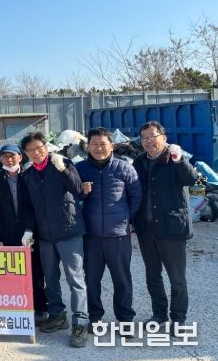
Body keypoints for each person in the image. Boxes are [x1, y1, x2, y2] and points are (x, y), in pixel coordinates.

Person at [20, 132, 88, 348]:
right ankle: (58, 314)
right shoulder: (28, 174)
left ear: (46, 146)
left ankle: (80, 322)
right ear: (26, 154)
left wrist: (63, 170)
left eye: (39, 147)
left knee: (75, 279)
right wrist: (29, 230)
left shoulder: (62, 163)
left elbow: (78, 189)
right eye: (31, 150)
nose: (36, 153)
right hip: (45, 236)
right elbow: (28, 207)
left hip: (69, 231)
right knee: (50, 278)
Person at [75, 127, 142, 331]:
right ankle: (95, 317)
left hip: (118, 236)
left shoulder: (125, 168)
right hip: (91, 236)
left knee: (122, 280)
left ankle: (125, 318)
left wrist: (125, 218)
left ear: (111, 146)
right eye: (94, 144)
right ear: (87, 147)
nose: (98, 148)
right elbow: (71, 197)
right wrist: (82, 193)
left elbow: (136, 196)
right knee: (91, 279)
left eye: (103, 144)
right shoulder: (80, 169)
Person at [133, 121, 197, 331]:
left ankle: (178, 318)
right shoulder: (139, 162)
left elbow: (191, 179)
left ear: (164, 138)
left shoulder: (175, 158)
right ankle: (159, 314)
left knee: (177, 278)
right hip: (146, 229)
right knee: (153, 276)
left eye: (153, 136)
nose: (149, 141)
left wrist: (180, 160)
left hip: (172, 228)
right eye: (144, 138)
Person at [0, 144, 48, 325]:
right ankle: (19, 308)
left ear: (20, 157)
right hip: (9, 232)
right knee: (15, 273)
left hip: (32, 232)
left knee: (35, 271)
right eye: (5, 156)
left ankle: (40, 307)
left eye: (12, 156)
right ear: (1, 159)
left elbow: (34, 205)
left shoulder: (29, 176)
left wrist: (30, 229)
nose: (9, 160)